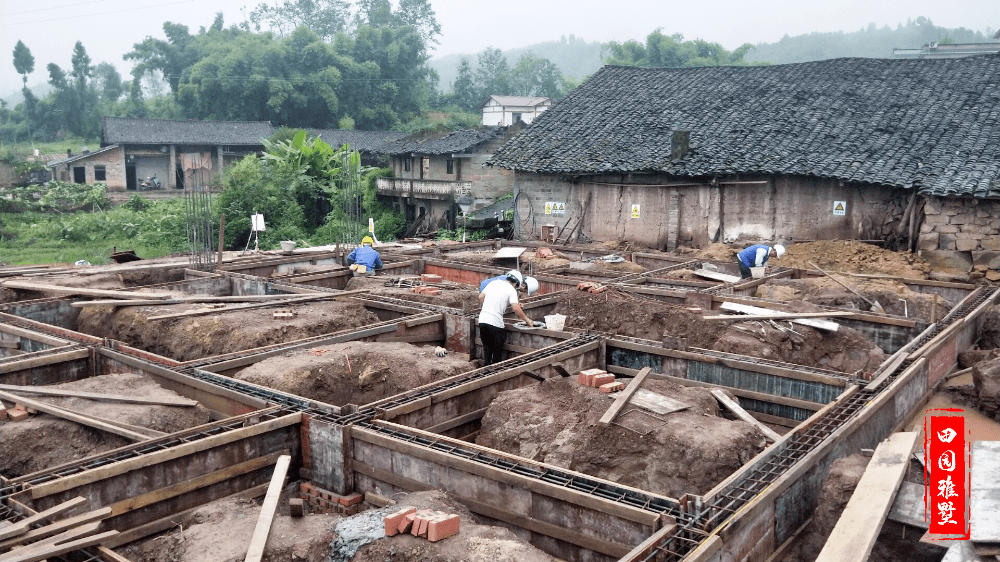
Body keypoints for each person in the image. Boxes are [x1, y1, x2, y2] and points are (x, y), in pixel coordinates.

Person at [477, 270, 536, 366]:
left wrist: (491, 306)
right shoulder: (511, 289)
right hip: (495, 324)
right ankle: (495, 376)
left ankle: (486, 371)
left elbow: (481, 297)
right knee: (497, 354)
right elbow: (515, 308)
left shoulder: (493, 283)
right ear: (516, 282)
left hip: (482, 320)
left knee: (487, 350)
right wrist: (528, 320)